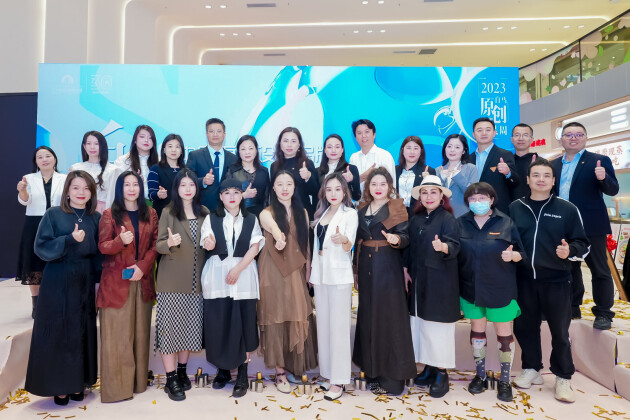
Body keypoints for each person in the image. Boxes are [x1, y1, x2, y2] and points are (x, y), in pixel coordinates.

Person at [509, 158, 590, 403]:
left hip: (557, 280)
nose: (541, 179)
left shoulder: (567, 209)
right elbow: (507, 240)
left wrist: (570, 251)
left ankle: (563, 377)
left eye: (546, 175)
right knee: (524, 328)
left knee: (560, 332)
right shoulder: (515, 207)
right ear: (527, 179)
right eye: (536, 175)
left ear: (554, 181)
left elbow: (583, 243)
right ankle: (531, 368)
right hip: (524, 279)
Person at [25, 170, 101, 405]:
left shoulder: (96, 217)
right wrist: (69, 240)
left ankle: (78, 383)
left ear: (92, 193)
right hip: (58, 278)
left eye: (86, 188)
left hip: (85, 280)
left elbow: (99, 255)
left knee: (82, 330)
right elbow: (41, 246)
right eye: (76, 187)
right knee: (59, 331)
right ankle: (59, 387)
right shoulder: (53, 214)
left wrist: (98, 284)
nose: (81, 192)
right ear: (67, 191)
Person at [458, 182, 525, 402]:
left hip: (500, 288)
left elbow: (522, 253)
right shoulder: (460, 223)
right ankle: (480, 375)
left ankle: (505, 380)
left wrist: (513, 256)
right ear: (467, 202)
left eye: (482, 198)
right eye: (473, 199)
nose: (477, 202)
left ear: (492, 199)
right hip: (471, 289)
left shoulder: (506, 222)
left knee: (504, 335)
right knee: (477, 333)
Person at [96, 171, 159, 403]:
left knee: (140, 335)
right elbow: (103, 246)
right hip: (116, 284)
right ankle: (117, 390)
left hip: (142, 280)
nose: (131, 189)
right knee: (117, 338)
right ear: (119, 188)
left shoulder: (150, 213)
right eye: (126, 185)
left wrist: (142, 267)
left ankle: (138, 384)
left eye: (135, 184)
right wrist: (119, 242)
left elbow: (155, 245)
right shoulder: (109, 214)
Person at [352, 167, 415, 395]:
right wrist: (355, 271)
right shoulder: (362, 208)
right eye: (373, 184)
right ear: (367, 187)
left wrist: (397, 239)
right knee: (369, 317)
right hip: (366, 268)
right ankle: (372, 372)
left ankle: (393, 379)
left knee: (390, 319)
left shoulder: (397, 206)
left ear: (390, 186)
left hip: (388, 266)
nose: (378, 188)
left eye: (382, 184)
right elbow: (358, 240)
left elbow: (406, 237)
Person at [551, 122, 619, 330]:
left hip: (591, 224)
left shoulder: (599, 160)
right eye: (568, 134)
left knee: (599, 269)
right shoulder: (553, 164)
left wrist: (603, 178)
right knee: (569, 268)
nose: (573, 138)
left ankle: (604, 313)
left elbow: (613, 189)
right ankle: (573, 307)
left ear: (586, 138)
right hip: (562, 225)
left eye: (578, 134)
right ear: (561, 139)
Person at [199, 179, 265, 398]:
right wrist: (209, 243)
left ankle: (243, 373)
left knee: (244, 324)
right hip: (217, 278)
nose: (232, 196)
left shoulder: (251, 218)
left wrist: (238, 269)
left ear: (241, 195)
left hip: (243, 276)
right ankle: (223, 370)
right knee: (219, 324)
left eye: (236, 192)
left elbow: (255, 247)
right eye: (227, 192)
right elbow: (207, 241)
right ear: (220, 197)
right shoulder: (211, 218)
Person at [257, 170, 317, 393]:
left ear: (294, 187)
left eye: (289, 184)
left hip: (296, 270)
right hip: (272, 270)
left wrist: (308, 269)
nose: (284, 188)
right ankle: (279, 372)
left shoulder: (303, 212)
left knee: (296, 314)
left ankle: (292, 367)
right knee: (275, 315)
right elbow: (270, 225)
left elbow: (306, 244)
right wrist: (277, 234)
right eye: (280, 184)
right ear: (273, 188)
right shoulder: (267, 212)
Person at [155, 169, 210, 401]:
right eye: (183, 185)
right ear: (176, 188)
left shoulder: (205, 212)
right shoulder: (169, 211)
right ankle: (170, 379)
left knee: (188, 328)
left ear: (197, 187)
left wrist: (211, 243)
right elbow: (158, 245)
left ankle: (181, 372)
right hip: (172, 280)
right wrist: (169, 242)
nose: (188, 189)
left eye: (192, 184)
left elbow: (211, 244)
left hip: (197, 282)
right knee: (169, 331)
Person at [404, 175, 460, 398]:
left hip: (440, 283)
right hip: (419, 282)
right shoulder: (415, 219)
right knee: (422, 326)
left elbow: (455, 246)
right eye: (424, 193)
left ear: (441, 196)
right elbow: (408, 248)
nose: (429, 197)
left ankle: (442, 374)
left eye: (433, 192)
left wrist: (444, 247)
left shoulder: (448, 219)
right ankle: (429, 368)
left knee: (438, 329)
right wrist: (405, 269)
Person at [310, 173, 358, 401]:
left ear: (344, 191)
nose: (333, 193)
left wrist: (344, 241)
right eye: (329, 189)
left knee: (339, 329)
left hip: (339, 277)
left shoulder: (350, 214)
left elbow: (350, 244)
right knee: (324, 327)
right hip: (321, 276)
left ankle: (339, 380)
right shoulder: (322, 213)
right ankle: (328, 375)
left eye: (337, 189)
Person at [16, 146, 67, 318]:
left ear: (55, 158)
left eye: (48, 156)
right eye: (40, 157)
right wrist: (22, 190)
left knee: (58, 263)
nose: (44, 159)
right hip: (34, 224)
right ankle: (36, 304)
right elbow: (25, 201)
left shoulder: (65, 178)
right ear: (36, 161)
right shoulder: (28, 178)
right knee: (34, 264)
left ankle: (57, 302)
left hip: (58, 223)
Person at [469, 117, 519, 214]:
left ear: (494, 133)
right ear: (474, 134)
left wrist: (508, 173)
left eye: (488, 130)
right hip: (473, 210)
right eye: (479, 130)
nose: (484, 133)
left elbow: (515, 182)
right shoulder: (468, 159)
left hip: (498, 211)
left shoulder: (505, 155)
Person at [186, 118, 237, 211]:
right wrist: (203, 181)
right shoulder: (195, 155)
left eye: (219, 131)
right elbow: (186, 180)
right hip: (202, 209)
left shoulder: (233, 158)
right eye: (211, 131)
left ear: (224, 134)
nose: (215, 134)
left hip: (228, 209)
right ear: (206, 134)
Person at [269, 127, 319, 219]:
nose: (289, 145)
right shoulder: (274, 166)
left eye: (293, 141)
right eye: (285, 141)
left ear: (299, 144)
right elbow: (273, 193)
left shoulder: (307, 163)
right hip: (281, 214)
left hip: (303, 213)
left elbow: (315, 192)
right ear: (280, 143)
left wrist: (308, 177)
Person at [70, 131, 120, 212]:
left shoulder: (112, 170)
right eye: (88, 143)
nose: (92, 147)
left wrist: (108, 215)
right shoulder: (76, 168)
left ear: (102, 146)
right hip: (78, 208)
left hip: (101, 210)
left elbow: (112, 196)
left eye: (96, 144)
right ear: (84, 146)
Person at [225, 135, 270, 216]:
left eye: (251, 148)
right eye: (243, 149)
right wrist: (243, 196)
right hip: (236, 215)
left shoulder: (264, 171)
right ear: (238, 151)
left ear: (256, 150)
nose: (247, 152)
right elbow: (225, 196)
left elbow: (267, 198)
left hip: (259, 215)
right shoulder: (232, 170)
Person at [435, 134, 478, 217]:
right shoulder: (438, 170)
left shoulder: (471, 168)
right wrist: (442, 179)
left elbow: (473, 194)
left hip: (463, 216)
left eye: (457, 147)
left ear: (464, 151)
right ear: (445, 149)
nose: (452, 150)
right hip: (441, 216)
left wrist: (458, 176)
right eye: (449, 146)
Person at [114, 125, 159, 200]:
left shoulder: (160, 161)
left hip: (156, 203)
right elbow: (117, 186)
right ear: (135, 140)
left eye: (150, 138)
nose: (146, 140)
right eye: (142, 137)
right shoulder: (122, 161)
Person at [395, 135, 436, 215]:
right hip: (397, 216)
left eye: (416, 148)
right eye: (408, 148)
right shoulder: (394, 170)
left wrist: (427, 180)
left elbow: (433, 197)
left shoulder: (429, 171)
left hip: (419, 216)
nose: (412, 152)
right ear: (403, 150)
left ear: (421, 151)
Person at [148, 134, 185, 218]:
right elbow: (151, 195)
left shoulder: (186, 171)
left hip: (182, 215)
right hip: (162, 215)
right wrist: (158, 194)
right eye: (170, 146)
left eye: (177, 147)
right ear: (164, 150)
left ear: (181, 151)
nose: (173, 150)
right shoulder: (155, 169)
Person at [316, 134, 361, 202]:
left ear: (342, 149)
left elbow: (356, 197)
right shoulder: (317, 171)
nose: (333, 150)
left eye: (337, 147)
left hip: (344, 208)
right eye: (329, 147)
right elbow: (315, 196)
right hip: (323, 208)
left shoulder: (351, 169)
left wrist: (352, 180)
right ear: (324, 150)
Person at [510, 123, 538, 201]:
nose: (521, 138)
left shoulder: (540, 163)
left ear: (532, 139)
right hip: (509, 206)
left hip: (532, 205)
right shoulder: (506, 162)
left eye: (525, 135)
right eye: (517, 135)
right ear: (512, 139)